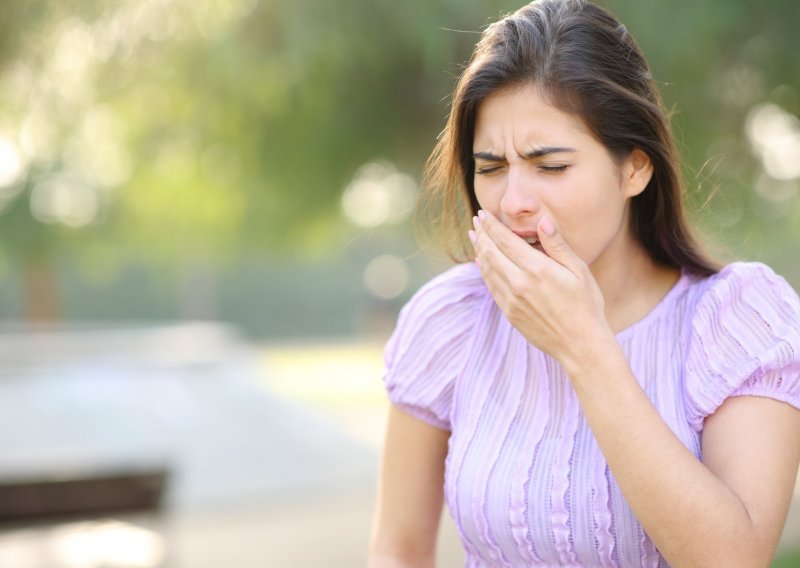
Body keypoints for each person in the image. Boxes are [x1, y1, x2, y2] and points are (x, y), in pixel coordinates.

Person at [367, 0, 800, 566]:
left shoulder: (737, 320)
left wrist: (584, 345)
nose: (513, 202)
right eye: (491, 167)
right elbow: (398, 549)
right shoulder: (452, 319)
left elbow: (732, 558)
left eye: (551, 166)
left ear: (634, 169)